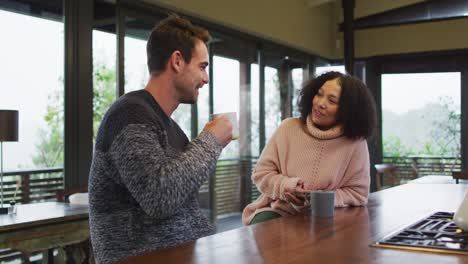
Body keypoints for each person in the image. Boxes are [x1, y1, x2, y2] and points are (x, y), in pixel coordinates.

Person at [89, 15, 233, 263]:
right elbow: (159, 197)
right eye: (202, 67)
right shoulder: (127, 115)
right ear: (177, 61)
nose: (206, 78)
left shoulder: (172, 129)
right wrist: (211, 139)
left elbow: (182, 198)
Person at [242, 71, 377, 225]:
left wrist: (319, 199)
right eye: (319, 94)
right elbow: (261, 173)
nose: (320, 103)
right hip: (277, 212)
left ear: (347, 111)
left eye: (332, 101)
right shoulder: (288, 128)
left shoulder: (356, 143)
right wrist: (288, 187)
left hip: (329, 219)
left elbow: (358, 194)